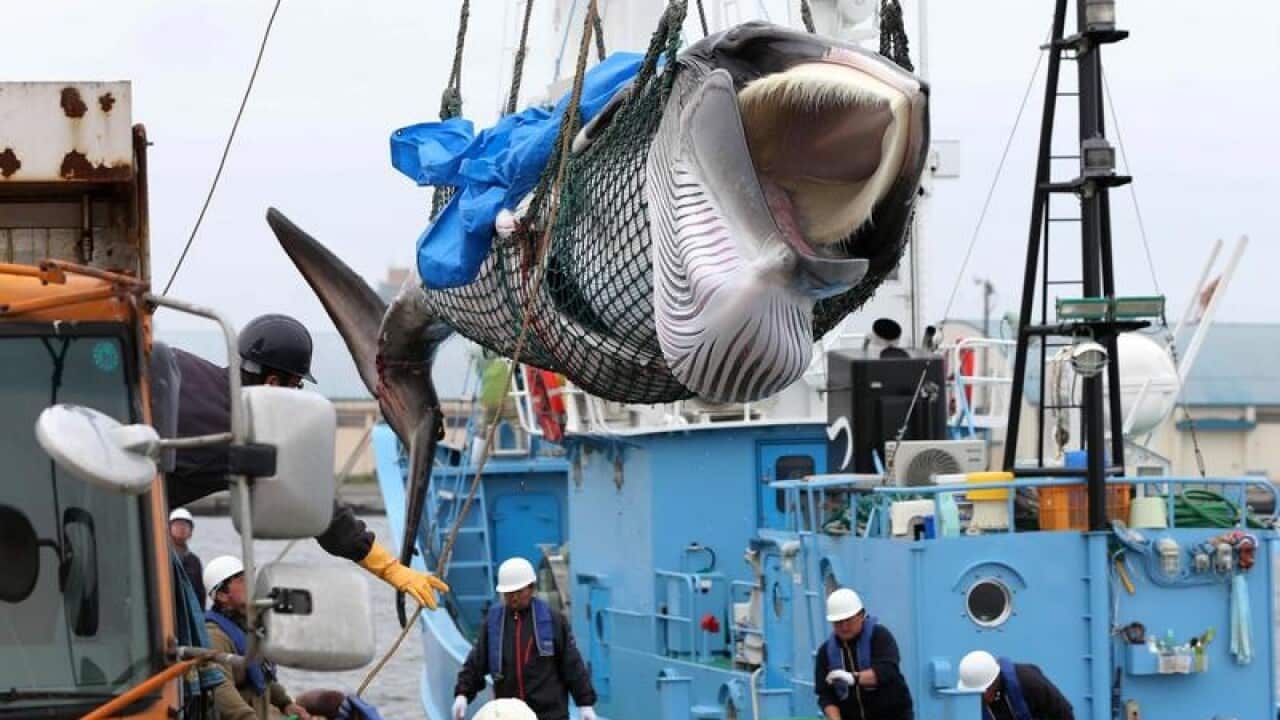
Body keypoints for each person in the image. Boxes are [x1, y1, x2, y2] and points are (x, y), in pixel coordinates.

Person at [151, 313, 448, 610]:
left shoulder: (176, 362)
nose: (295, 397)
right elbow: (323, 512)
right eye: (295, 388)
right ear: (272, 383)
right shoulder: (249, 437)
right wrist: (392, 570)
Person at [452, 557, 597, 720]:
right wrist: (462, 694)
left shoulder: (553, 620)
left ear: (531, 588)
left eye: (519, 592)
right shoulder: (493, 623)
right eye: (508, 593)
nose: (514, 598)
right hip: (510, 715)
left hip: (550, 715)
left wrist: (585, 703)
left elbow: (572, 664)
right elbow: (476, 663)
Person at [202, 555, 314, 720]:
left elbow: (262, 675)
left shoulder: (246, 627)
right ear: (222, 596)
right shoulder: (214, 636)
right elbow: (220, 687)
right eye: (241, 580)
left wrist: (285, 703)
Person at [814, 588, 913, 720]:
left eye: (848, 620)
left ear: (861, 616)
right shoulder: (825, 652)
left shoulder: (879, 636)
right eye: (838, 622)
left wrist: (853, 678)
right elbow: (825, 694)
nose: (844, 627)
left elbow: (887, 670)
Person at [957, 650, 1075, 720]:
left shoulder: (1031, 682)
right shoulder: (977, 702)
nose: (978, 700)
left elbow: (1064, 713)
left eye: (980, 694)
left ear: (991, 685)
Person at [169, 507, 206, 607]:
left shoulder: (194, 561)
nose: (182, 528)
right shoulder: (164, 558)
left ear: (191, 532)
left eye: (185, 525)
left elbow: (200, 593)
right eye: (177, 525)